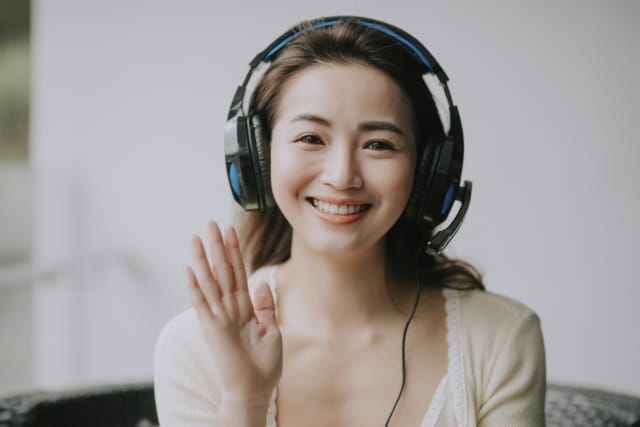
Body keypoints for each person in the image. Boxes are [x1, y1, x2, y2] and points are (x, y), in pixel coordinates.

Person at [153, 16, 546, 427]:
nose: (342, 176)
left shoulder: (501, 338)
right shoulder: (194, 348)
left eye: (379, 144)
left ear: (429, 173)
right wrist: (245, 400)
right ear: (258, 157)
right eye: (310, 139)